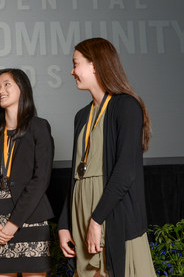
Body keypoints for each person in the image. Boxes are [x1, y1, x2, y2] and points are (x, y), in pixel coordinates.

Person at [58, 37, 155, 277]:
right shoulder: (81, 116)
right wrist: (63, 224)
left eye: (75, 64)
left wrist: (97, 220)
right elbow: (76, 175)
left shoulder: (126, 106)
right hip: (82, 216)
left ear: (94, 64)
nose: (72, 71)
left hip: (110, 215)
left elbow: (125, 172)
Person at [0, 68, 55, 277]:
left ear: (22, 89)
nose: (0, 91)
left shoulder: (39, 127)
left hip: (31, 219)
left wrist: (14, 223)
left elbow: (41, 179)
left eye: (6, 84)